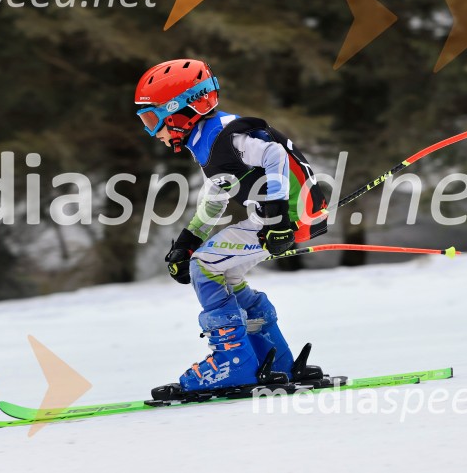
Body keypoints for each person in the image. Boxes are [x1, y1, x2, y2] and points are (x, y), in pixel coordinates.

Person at [135, 59, 329, 393]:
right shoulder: (207, 137)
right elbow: (218, 193)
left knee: (204, 267)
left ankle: (232, 363)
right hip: (278, 215)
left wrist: (279, 215)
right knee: (226, 273)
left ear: (179, 110)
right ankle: (276, 361)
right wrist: (188, 239)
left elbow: (274, 155)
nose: (153, 132)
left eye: (153, 120)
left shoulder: (223, 135)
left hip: (285, 216)